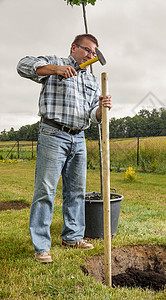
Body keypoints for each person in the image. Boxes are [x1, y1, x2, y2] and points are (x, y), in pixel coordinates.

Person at [17, 34, 112, 263]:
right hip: (53, 133)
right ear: (74, 47)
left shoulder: (90, 80)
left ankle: (72, 236)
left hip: (78, 138)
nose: (91, 56)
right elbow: (23, 65)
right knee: (45, 190)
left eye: (94, 53)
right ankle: (41, 246)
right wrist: (56, 69)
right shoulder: (54, 62)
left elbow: (92, 115)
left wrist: (102, 109)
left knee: (76, 191)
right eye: (88, 50)